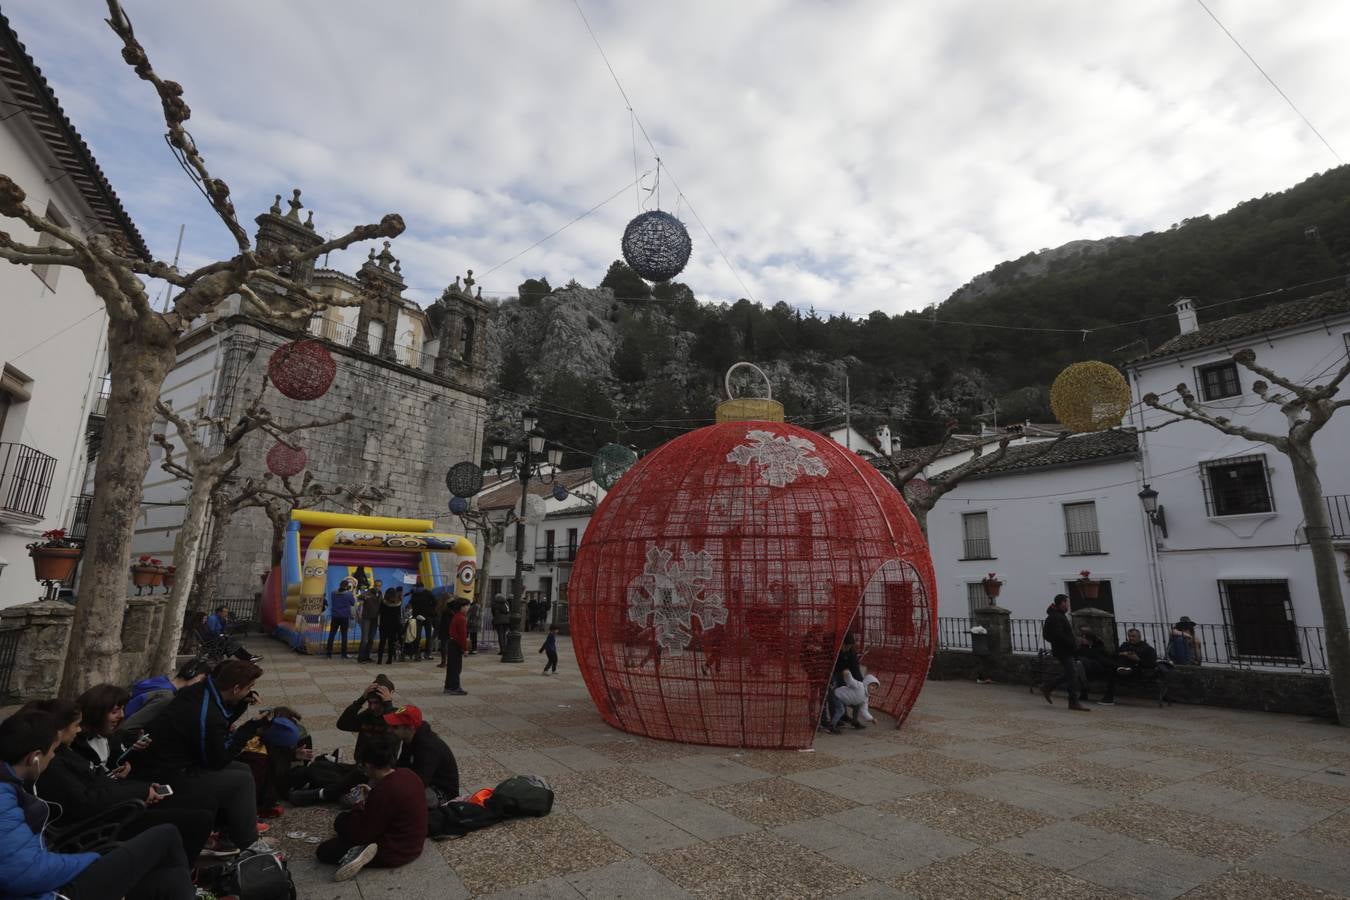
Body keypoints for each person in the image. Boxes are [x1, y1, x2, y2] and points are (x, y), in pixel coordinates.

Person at [0, 709, 196, 900]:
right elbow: (26, 872)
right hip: (53, 891)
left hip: (50, 874)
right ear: (33, 757)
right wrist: (93, 859)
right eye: (51, 751)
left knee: (172, 879)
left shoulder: (12, 787)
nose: (52, 757)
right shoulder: (4, 795)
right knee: (166, 834)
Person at [27, 699, 214, 862]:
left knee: (198, 805)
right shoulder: (53, 762)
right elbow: (85, 801)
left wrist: (142, 789)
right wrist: (139, 792)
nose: (78, 729)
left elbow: (98, 783)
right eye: (75, 724)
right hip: (104, 824)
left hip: (115, 808)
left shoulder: (65, 752)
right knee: (195, 820)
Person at [136, 659, 271, 854]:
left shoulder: (202, 690)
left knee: (242, 769)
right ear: (235, 688)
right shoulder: (206, 714)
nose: (250, 691)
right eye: (248, 687)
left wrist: (240, 703)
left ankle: (230, 834)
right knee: (240, 780)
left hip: (175, 760)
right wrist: (249, 728)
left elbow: (217, 723)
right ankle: (249, 843)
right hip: (168, 774)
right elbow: (217, 759)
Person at [315, 732, 426, 882]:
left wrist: (358, 806)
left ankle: (358, 853)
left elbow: (363, 832)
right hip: (415, 843)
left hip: (394, 850)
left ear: (368, 765)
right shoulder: (408, 774)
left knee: (326, 848)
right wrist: (372, 797)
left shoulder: (385, 790)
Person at [384, 706, 459, 807]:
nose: (389, 730)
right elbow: (401, 766)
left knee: (397, 797)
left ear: (410, 728)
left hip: (442, 793)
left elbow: (419, 783)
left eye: (395, 727)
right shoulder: (409, 738)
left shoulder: (428, 747)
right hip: (425, 783)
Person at [122, 659, 209, 733]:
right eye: (201, 680)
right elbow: (129, 726)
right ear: (191, 673)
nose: (200, 685)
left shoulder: (160, 680)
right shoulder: (166, 697)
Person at [1041, 595, 1089, 711]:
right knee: (1072, 673)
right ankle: (1073, 702)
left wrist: (1075, 640)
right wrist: (1073, 642)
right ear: (1062, 603)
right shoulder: (1055, 617)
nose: (1068, 605)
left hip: (1064, 649)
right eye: (1067, 603)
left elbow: (1056, 634)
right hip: (1063, 650)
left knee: (1072, 673)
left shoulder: (1058, 616)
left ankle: (1048, 686)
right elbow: (1057, 635)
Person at [825, 633, 864, 734]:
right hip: (832, 673)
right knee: (833, 697)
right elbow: (830, 665)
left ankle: (847, 718)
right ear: (841, 644)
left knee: (848, 696)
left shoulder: (851, 652)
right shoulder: (833, 651)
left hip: (844, 674)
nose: (847, 648)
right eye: (846, 646)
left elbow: (855, 668)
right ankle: (834, 721)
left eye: (850, 646)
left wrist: (860, 682)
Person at [1075, 629, 1118, 705]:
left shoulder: (1099, 647)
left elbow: (1103, 659)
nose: (1082, 640)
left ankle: (1084, 688)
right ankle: (1084, 687)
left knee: (1080, 663)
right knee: (1079, 665)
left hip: (1097, 669)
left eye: (1084, 638)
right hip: (1087, 670)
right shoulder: (1082, 648)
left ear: (1090, 639)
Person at [443, 600, 469, 695]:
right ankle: (454, 687)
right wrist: (465, 648)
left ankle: (448, 686)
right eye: (466, 606)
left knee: (451, 667)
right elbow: (462, 635)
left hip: (452, 642)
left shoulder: (456, 616)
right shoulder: (461, 618)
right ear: (461, 607)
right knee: (456, 667)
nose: (467, 608)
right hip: (456, 644)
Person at [327, 579, 357, 659]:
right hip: (344, 617)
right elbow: (353, 603)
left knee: (332, 634)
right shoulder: (348, 595)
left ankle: (328, 654)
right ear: (347, 586)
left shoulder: (333, 593)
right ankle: (343, 654)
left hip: (335, 616)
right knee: (344, 635)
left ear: (340, 585)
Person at [409, 581, 437, 661]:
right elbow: (411, 604)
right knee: (417, 636)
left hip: (427, 617)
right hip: (418, 617)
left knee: (427, 636)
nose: (417, 589)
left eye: (418, 587)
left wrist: (430, 610)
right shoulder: (415, 594)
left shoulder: (427, 593)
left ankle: (426, 653)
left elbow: (435, 602)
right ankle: (417, 653)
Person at [356, 581, 383, 663]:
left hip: (375, 619)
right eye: (376, 585)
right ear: (374, 585)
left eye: (379, 586)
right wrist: (364, 597)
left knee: (371, 639)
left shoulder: (381, 594)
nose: (377, 587)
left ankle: (367, 656)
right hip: (366, 618)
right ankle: (360, 657)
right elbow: (360, 597)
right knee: (365, 639)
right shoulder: (369, 592)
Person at [378, 587, 404, 665]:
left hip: (384, 624)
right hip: (394, 625)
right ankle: (389, 659)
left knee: (382, 642)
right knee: (391, 642)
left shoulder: (383, 603)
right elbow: (399, 615)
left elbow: (380, 612)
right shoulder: (398, 603)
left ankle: (379, 659)